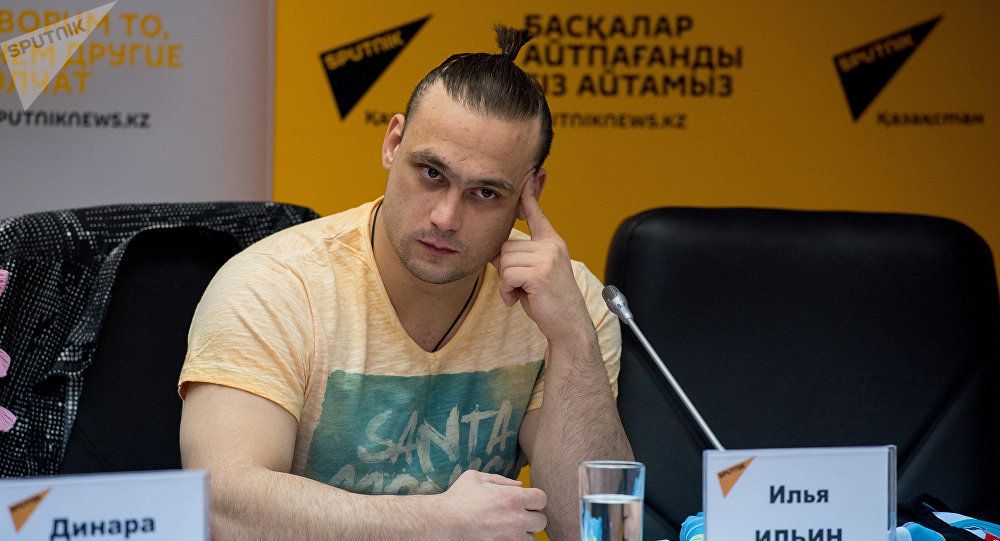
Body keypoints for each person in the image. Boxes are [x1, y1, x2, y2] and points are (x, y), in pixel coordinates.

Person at [178, 25, 632, 541]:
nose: (446, 218)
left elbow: (602, 531)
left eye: (485, 193)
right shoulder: (273, 286)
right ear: (393, 142)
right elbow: (223, 506)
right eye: (432, 173)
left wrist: (572, 338)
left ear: (532, 191)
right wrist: (439, 522)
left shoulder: (570, 304)